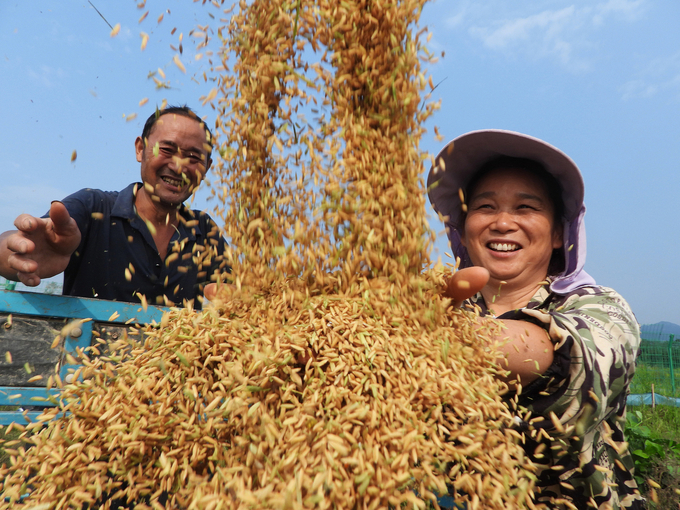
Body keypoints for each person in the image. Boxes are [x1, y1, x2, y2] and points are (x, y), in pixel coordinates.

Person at [428, 130, 644, 509]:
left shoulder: (599, 307)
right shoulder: (435, 302)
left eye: (526, 208)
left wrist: (429, 335)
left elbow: (579, 357)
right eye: (485, 207)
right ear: (464, 227)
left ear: (560, 233)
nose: (503, 223)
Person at [0, 106, 228, 309]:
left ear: (207, 167)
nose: (179, 167)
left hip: (174, 356)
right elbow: (12, 248)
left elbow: (234, 294)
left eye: (193, 157)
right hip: (86, 355)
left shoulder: (205, 232)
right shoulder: (93, 207)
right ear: (140, 149)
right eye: (166, 150)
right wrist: (24, 252)